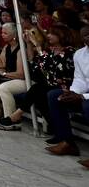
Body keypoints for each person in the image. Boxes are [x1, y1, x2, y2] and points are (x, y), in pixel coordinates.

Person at [0, 25, 75, 131]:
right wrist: (29, 44)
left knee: (37, 90)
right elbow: (33, 63)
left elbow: (52, 71)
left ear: (61, 36)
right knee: (38, 93)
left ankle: (16, 115)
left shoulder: (69, 51)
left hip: (64, 85)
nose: (48, 35)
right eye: (48, 33)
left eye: (52, 34)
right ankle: (55, 129)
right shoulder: (51, 51)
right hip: (49, 84)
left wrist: (37, 45)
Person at [44, 25, 89, 167]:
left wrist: (83, 97)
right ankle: (67, 142)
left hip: (87, 98)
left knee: (87, 105)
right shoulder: (80, 54)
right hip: (83, 93)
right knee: (55, 96)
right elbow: (80, 78)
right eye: (84, 35)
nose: (87, 38)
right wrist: (73, 92)